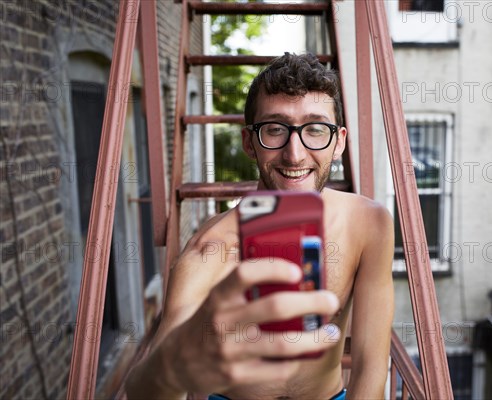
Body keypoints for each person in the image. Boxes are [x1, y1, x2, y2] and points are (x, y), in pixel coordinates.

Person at [125, 53, 394, 399]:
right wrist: (171, 370)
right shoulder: (210, 247)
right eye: (275, 129)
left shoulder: (369, 225)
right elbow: (145, 390)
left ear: (339, 141)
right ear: (249, 143)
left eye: (315, 129)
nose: (294, 155)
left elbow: (372, 366)